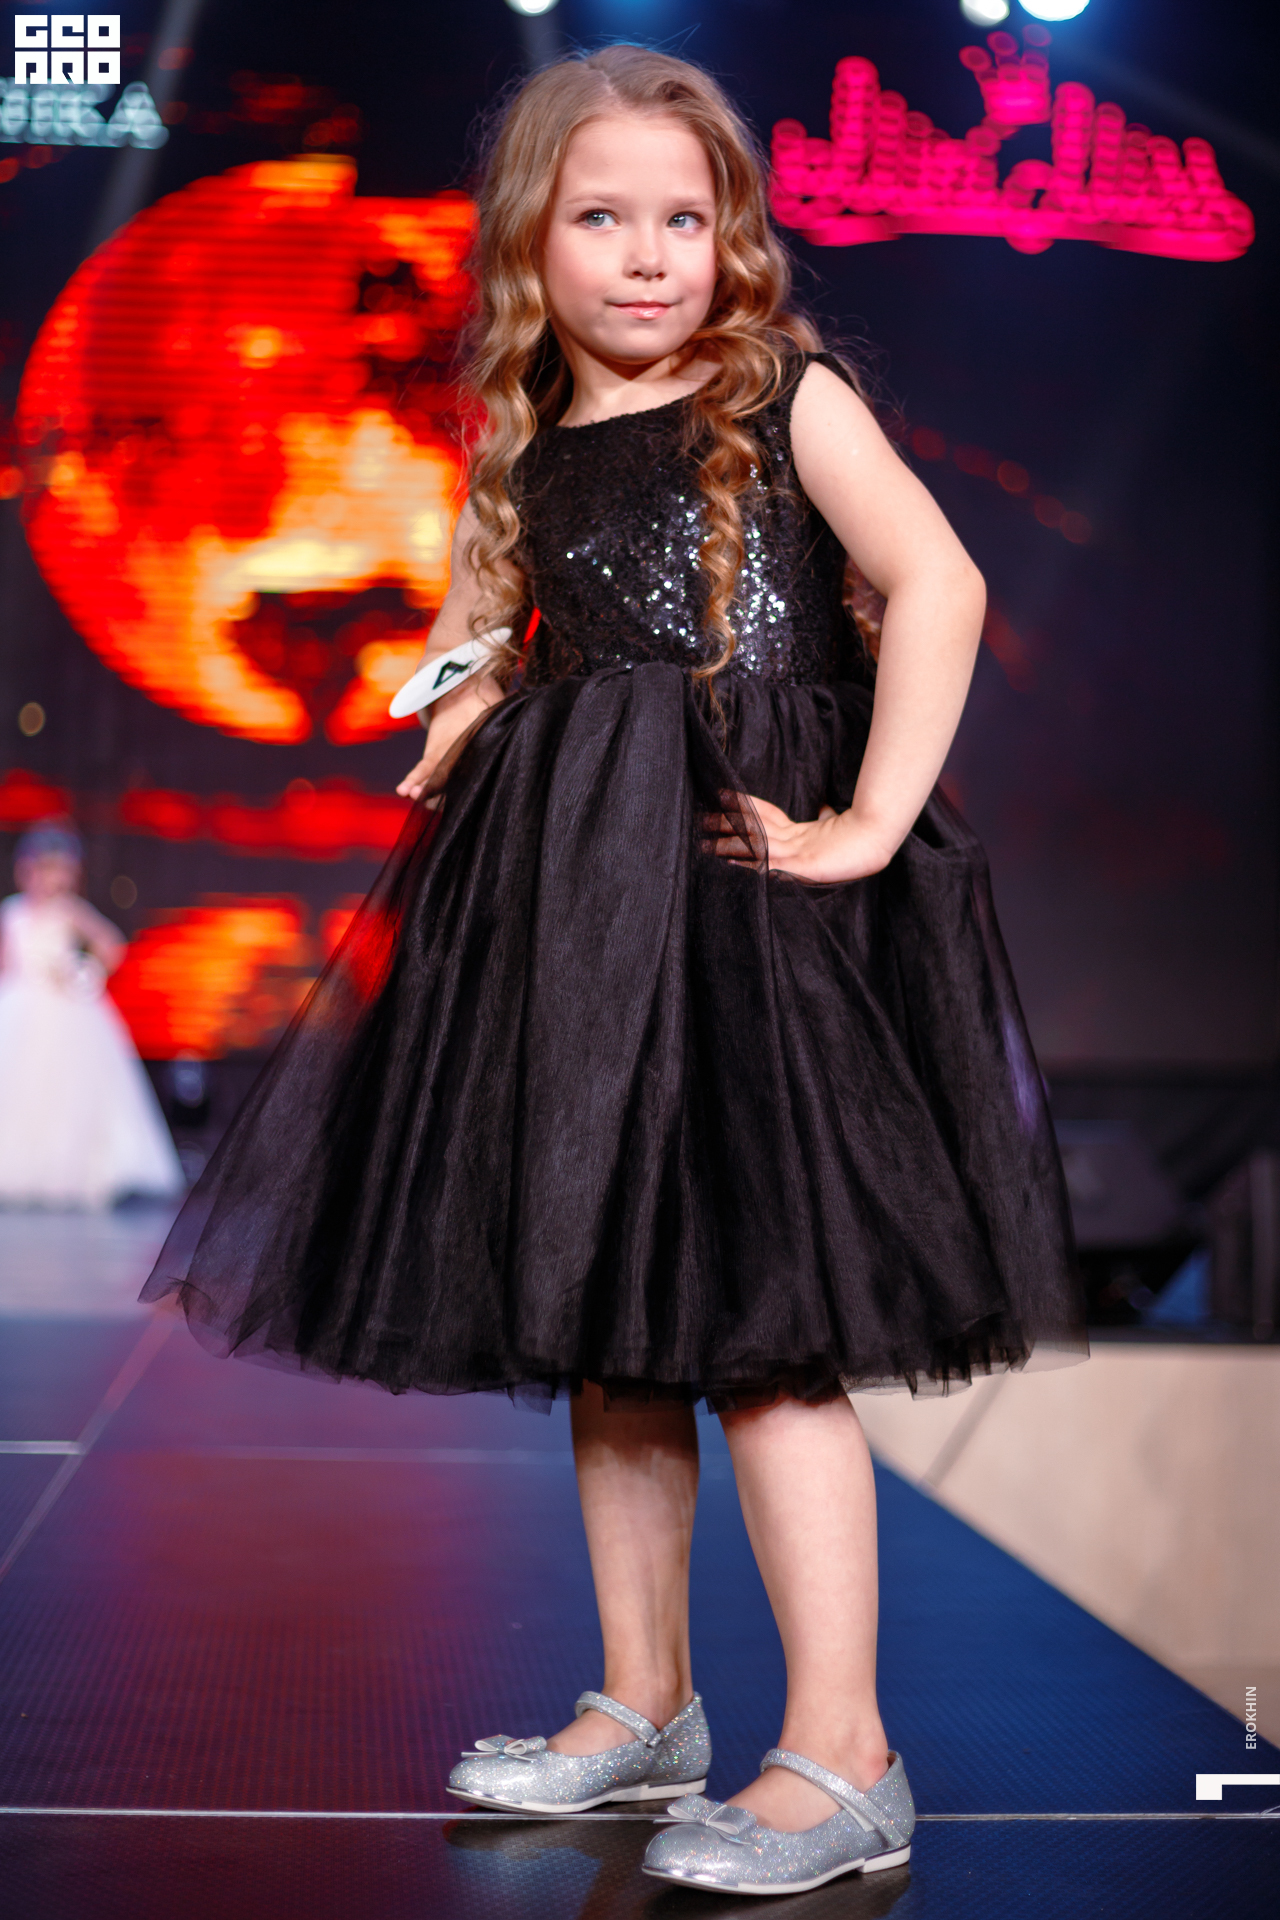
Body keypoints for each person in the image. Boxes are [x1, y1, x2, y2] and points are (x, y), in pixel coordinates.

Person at [143, 46, 1085, 1897]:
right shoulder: (523, 433)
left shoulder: (783, 396)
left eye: (685, 218)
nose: (649, 255)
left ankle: (847, 1749)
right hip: (582, 908)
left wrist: (874, 819)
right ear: (528, 240)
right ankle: (646, 1704)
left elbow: (944, 582)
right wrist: (465, 699)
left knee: (768, 1325)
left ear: (734, 239)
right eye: (602, 217)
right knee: (612, 1310)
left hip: (744, 912)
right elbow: (489, 617)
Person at [0, 822, 183, 1209]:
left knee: (68, 1090)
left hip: (65, 1012)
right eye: (44, 869)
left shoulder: (69, 910)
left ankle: (74, 1173)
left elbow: (111, 946)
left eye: (60, 870)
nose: (51, 879)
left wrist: (81, 971)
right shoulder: (12, 911)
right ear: (26, 870)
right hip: (18, 1008)